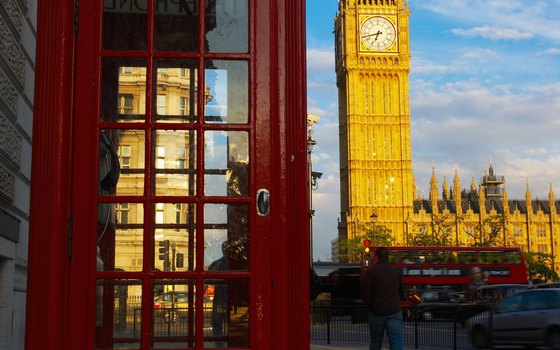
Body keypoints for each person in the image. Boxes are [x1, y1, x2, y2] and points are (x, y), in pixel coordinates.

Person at [363, 247, 405, 350]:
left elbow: (366, 295)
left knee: (376, 341)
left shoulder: (371, 272)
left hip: (377, 312)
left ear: (376, 257)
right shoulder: (396, 271)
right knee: (396, 339)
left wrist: (371, 307)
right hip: (394, 311)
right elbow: (402, 293)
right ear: (388, 257)